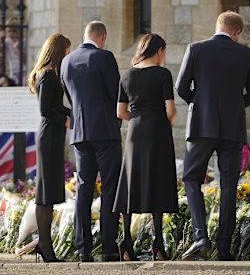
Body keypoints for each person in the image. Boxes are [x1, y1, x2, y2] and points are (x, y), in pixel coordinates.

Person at [175, 11, 250, 261]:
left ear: (218, 26)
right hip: (233, 128)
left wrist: (200, 105)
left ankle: (200, 235)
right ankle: (224, 248)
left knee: (191, 179)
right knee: (228, 185)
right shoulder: (245, 54)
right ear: (236, 32)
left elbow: (181, 87)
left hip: (202, 126)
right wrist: (235, 106)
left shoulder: (196, 49)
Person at [113, 33, 178, 261]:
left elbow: (120, 112)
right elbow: (170, 110)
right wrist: (164, 120)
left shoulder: (127, 75)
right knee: (157, 181)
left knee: (132, 182)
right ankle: (158, 244)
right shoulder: (162, 74)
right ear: (159, 51)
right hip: (158, 130)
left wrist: (138, 117)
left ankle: (126, 243)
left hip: (135, 131)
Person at [60, 21, 122, 262]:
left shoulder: (67, 62)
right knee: (109, 189)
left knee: (84, 190)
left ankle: (83, 248)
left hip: (80, 133)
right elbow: (115, 94)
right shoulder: (105, 58)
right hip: (105, 131)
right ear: (103, 36)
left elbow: (70, 96)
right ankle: (108, 247)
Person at [28, 33, 71, 263]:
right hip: (48, 136)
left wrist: (70, 114)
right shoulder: (46, 75)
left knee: (50, 193)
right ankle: (44, 244)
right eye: (67, 50)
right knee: (44, 194)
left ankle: (46, 243)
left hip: (55, 136)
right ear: (58, 50)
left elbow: (56, 106)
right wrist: (65, 118)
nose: (69, 55)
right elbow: (46, 110)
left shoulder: (53, 74)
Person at [0, 17, 23, 85]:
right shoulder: (8, 41)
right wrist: (0, 38)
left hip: (23, 71)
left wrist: (17, 48)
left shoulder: (21, 42)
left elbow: (24, 58)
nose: (12, 34)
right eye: (9, 31)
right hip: (12, 71)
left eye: (14, 31)